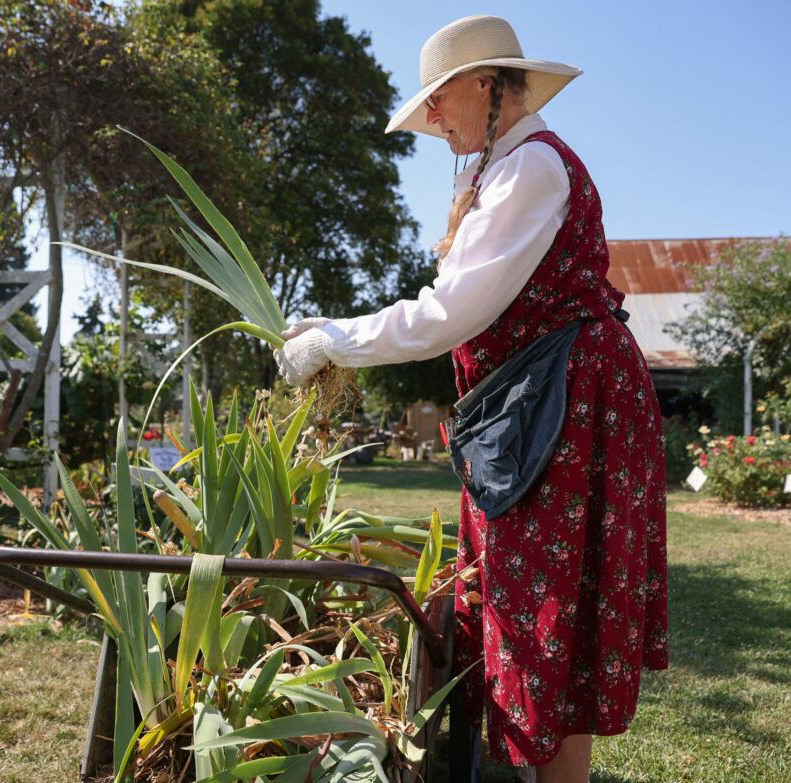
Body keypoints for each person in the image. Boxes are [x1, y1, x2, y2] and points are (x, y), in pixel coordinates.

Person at [274, 15, 668, 783]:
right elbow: (450, 298)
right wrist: (332, 326)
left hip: (563, 409)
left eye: (438, 99)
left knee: (549, 611)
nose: (430, 118)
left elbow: (451, 313)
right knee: (532, 606)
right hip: (535, 410)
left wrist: (335, 340)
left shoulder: (531, 171)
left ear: (484, 86)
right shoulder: (501, 173)